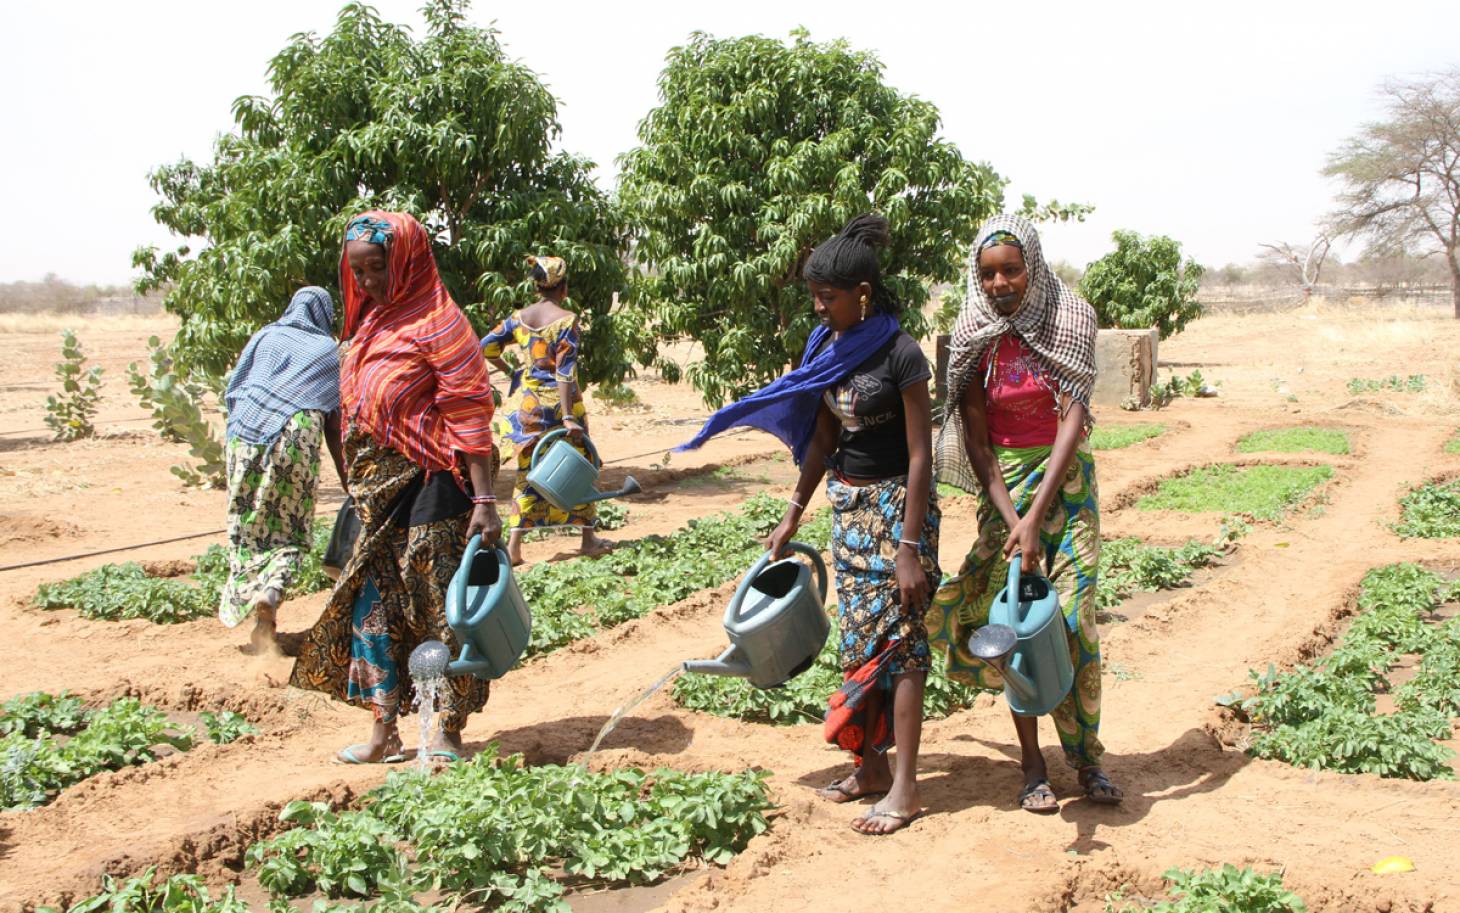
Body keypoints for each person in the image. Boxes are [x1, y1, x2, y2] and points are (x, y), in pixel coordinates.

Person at [680, 214, 940, 836]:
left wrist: (908, 548)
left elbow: (920, 455)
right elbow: (823, 437)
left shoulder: (902, 354)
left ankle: (906, 787)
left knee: (900, 646)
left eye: (829, 297)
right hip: (848, 511)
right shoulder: (827, 349)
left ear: (863, 295)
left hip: (897, 511)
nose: (820, 308)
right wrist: (792, 512)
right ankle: (871, 767)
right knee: (858, 642)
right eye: (814, 298)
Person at [290, 211, 502, 765]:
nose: (367, 284)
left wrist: (484, 500)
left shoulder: (440, 323)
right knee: (372, 611)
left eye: (377, 269)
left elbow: (470, 414)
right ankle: (384, 731)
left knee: (440, 611)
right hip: (374, 498)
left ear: (405, 262)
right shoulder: (367, 327)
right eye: (357, 273)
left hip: (434, 487)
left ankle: (449, 731)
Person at [927, 214, 1122, 812]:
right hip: (1003, 491)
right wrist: (1013, 521)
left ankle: (1087, 760)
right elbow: (980, 447)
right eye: (987, 274)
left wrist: (1037, 518)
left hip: (1064, 488)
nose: (999, 283)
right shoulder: (970, 337)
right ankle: (1033, 763)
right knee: (1014, 622)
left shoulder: (1070, 318)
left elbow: (1072, 419)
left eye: (1011, 270)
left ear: (1032, 267)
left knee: (1071, 617)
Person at [221, 286, 346, 653]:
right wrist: (347, 479)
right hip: (296, 436)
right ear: (324, 315)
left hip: (246, 432)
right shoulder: (328, 351)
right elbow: (334, 424)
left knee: (246, 527)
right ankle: (271, 594)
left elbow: (235, 389)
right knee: (289, 532)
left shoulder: (266, 336)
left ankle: (254, 594)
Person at [480, 256, 614, 565]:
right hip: (561, 406)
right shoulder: (567, 320)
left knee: (528, 473)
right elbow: (565, 373)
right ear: (563, 288)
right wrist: (568, 416)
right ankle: (587, 538)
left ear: (538, 286)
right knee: (581, 466)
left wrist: (513, 371)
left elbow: (486, 346)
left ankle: (514, 549)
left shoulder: (518, 318)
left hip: (529, 408)